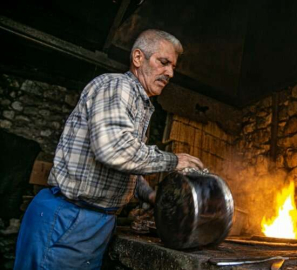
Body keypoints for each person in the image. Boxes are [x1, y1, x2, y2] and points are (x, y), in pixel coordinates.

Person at [14, 29, 204, 269]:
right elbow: (114, 151)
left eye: (173, 67)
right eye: (163, 62)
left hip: (97, 223)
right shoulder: (117, 87)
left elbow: (126, 167)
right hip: (69, 216)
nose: (170, 73)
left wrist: (151, 196)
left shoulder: (140, 105)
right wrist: (174, 161)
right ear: (138, 58)